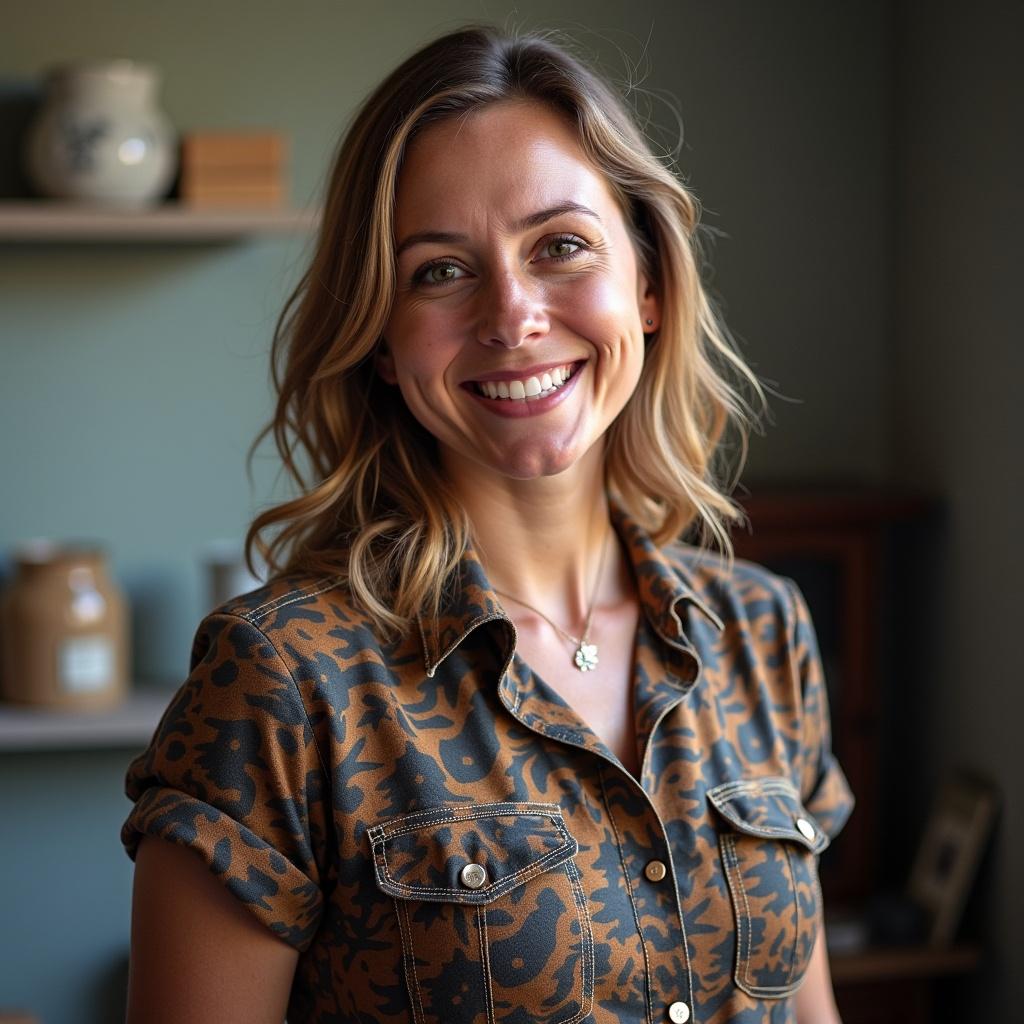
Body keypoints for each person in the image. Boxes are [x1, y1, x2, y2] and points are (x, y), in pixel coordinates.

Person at [122, 23, 854, 1024]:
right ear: (380, 339)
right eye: (438, 271)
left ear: (645, 283)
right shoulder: (285, 680)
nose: (511, 315)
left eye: (559, 245)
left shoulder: (762, 633)